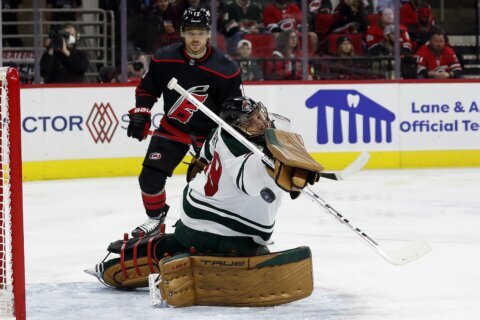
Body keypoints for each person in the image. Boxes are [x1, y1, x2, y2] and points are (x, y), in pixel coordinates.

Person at [87, 96, 322, 292]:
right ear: (237, 127)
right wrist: (272, 174)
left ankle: (154, 252)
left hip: (196, 213)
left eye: (260, 116)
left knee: (177, 244)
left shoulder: (219, 132)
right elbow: (249, 180)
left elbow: (203, 158)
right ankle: (137, 259)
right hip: (226, 227)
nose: (261, 124)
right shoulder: (241, 149)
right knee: (230, 250)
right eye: (251, 122)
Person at [126, 7, 243, 238]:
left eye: (200, 32)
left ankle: (221, 228)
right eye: (190, 32)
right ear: (182, 33)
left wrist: (232, 113)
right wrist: (142, 112)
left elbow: (234, 104)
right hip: (173, 128)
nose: (195, 38)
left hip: (210, 136)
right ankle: (155, 219)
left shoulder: (226, 69)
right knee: (149, 179)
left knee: (217, 187)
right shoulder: (164, 58)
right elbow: (148, 88)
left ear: (208, 34)